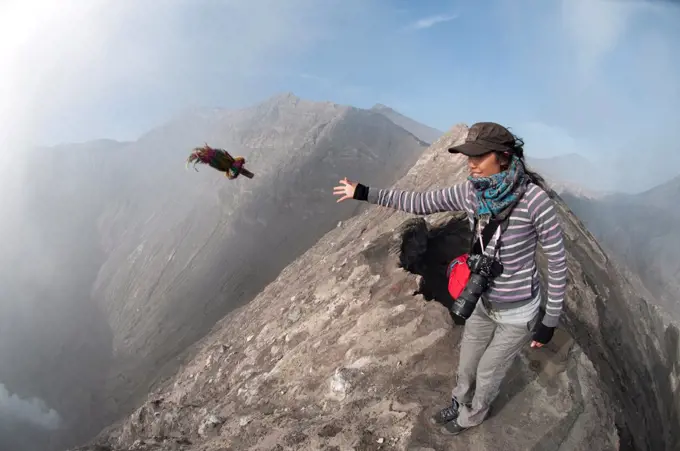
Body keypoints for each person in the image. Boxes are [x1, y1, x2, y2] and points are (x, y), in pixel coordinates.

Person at [332, 122, 567, 436]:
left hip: (518, 311)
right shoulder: (472, 192)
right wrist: (363, 192)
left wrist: (549, 322)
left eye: (479, 156)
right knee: (467, 362)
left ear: (504, 156)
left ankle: (473, 415)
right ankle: (459, 402)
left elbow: (557, 259)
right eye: (468, 155)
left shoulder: (535, 202)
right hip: (481, 299)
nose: (471, 163)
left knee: (488, 371)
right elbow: (419, 203)